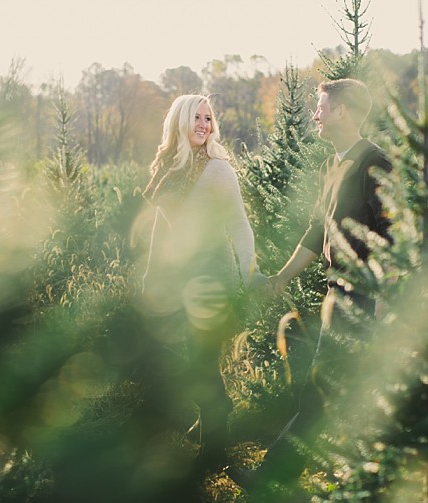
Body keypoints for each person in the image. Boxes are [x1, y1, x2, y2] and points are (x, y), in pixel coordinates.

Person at [229, 78, 391, 490]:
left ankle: (274, 481)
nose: (315, 116)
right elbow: (317, 231)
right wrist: (281, 278)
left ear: (342, 110)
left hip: (363, 299)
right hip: (337, 296)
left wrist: (385, 298)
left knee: (327, 395)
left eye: (321, 107)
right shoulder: (330, 165)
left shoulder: (376, 163)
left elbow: (395, 236)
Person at [139, 93, 257, 472]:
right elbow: (163, 223)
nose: (204, 125)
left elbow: (239, 224)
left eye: (209, 118)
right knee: (179, 356)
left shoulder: (217, 169)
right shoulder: (169, 169)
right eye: (197, 118)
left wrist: (247, 274)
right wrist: (150, 272)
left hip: (212, 275)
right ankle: (215, 411)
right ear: (179, 122)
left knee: (202, 360)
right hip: (181, 275)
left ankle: (213, 449)